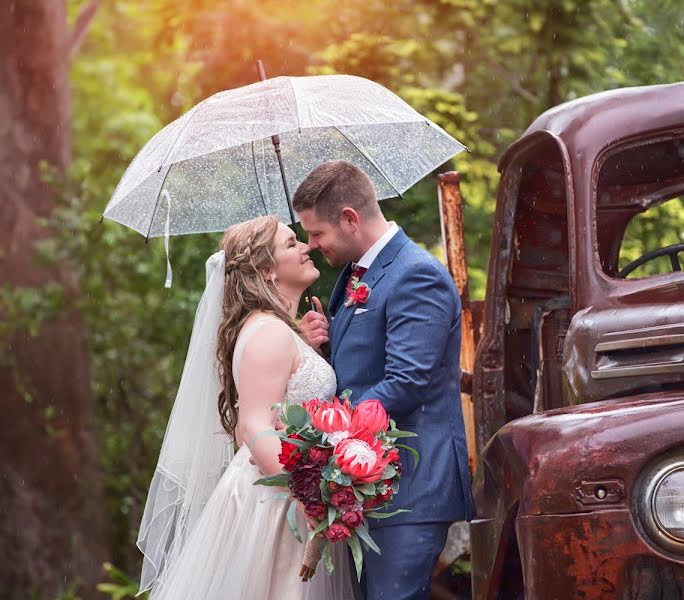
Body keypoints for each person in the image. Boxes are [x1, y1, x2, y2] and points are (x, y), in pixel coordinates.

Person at [136, 215, 357, 600]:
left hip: (289, 492)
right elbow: (253, 426)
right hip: (278, 502)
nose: (306, 246)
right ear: (268, 270)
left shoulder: (277, 328)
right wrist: (307, 500)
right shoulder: (269, 331)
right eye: (291, 243)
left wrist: (308, 347)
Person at [294, 160, 475, 600]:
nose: (313, 245)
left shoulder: (416, 274)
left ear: (350, 219)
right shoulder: (356, 275)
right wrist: (324, 346)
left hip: (411, 484)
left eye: (317, 233)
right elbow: (362, 367)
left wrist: (329, 434)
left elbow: (408, 380)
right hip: (370, 485)